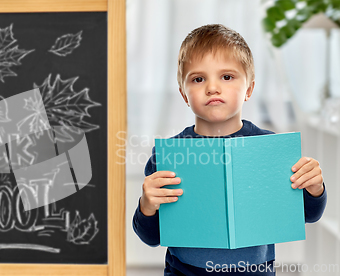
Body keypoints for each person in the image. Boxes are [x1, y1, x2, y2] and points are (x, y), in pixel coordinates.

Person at [132, 24, 327, 276]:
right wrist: (147, 205)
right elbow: (151, 237)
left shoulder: (271, 150)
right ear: (183, 93)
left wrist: (315, 188)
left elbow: (310, 215)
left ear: (249, 89)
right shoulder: (168, 156)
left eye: (227, 76)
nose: (212, 87)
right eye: (198, 79)